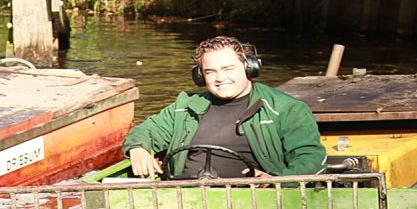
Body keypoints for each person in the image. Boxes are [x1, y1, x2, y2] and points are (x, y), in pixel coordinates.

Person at [123, 36, 324, 181]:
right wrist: (137, 148)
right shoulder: (185, 106)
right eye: (210, 72)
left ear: (249, 68)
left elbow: (310, 157)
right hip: (183, 196)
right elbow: (147, 130)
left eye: (228, 69)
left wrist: (276, 181)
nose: (220, 78)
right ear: (200, 76)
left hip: (253, 201)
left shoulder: (286, 108)